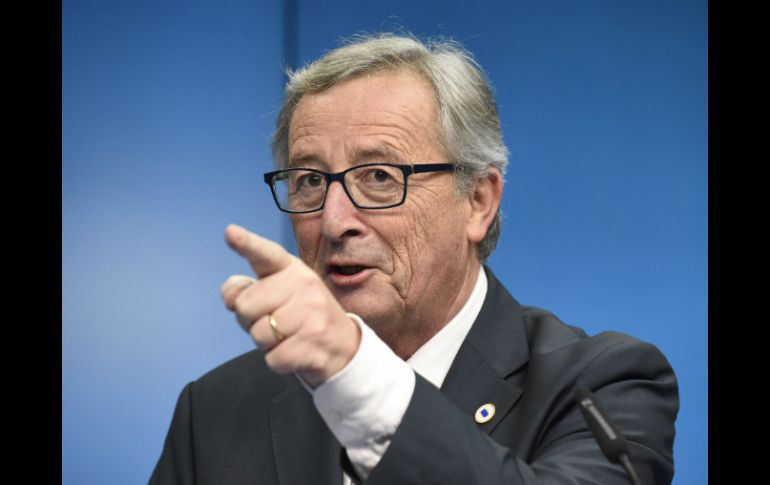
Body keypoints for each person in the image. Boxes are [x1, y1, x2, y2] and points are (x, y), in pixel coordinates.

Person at [149, 33, 678, 485]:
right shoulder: (215, 408)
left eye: (379, 176)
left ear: (478, 201)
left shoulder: (603, 384)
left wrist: (355, 372)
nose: (333, 221)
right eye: (310, 180)